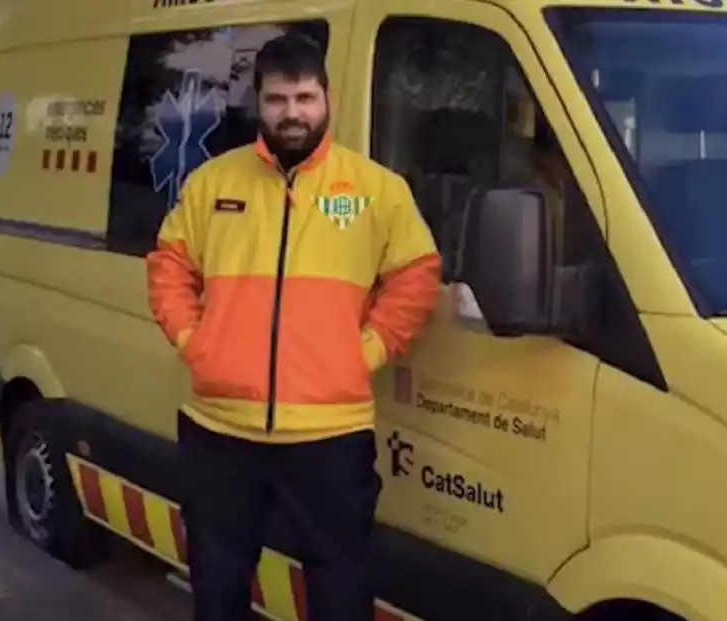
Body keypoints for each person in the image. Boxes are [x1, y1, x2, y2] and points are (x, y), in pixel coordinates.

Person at [144, 31, 442, 621]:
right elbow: (168, 267)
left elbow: (416, 276)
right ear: (258, 102)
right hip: (222, 430)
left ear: (326, 98)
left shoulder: (374, 190)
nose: (292, 113)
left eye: (305, 98)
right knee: (218, 584)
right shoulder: (214, 184)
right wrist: (194, 342)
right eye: (278, 100)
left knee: (340, 590)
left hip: (330, 433)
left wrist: (369, 350)